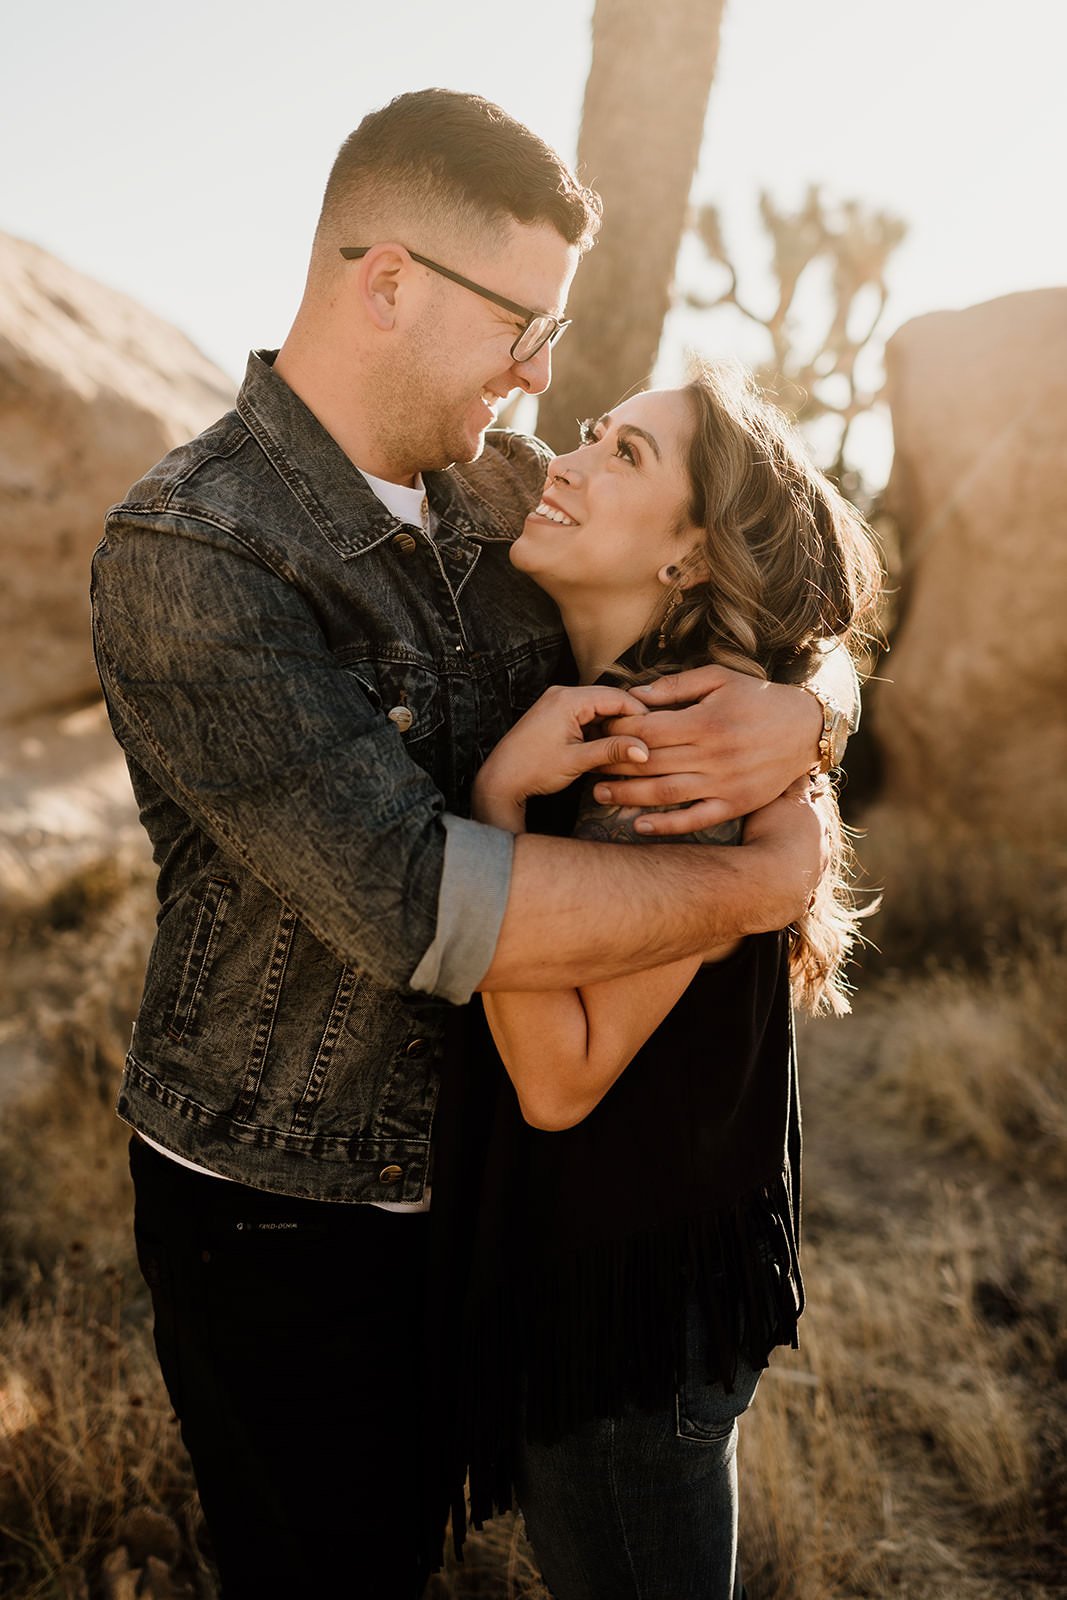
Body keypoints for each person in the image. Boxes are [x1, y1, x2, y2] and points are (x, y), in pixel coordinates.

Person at [90, 90, 845, 1597]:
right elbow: (411, 897)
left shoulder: (498, 492)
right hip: (286, 1221)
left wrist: (806, 717)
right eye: (521, 323)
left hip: (484, 1203)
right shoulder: (193, 553)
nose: (540, 378)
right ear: (387, 285)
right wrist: (769, 870)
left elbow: (761, 570)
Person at [454, 368, 881, 1600]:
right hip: (613, 1290)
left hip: (630, 1332)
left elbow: (557, 1077)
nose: (570, 463)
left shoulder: (674, 758)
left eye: (626, 456)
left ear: (692, 556)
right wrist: (818, 708)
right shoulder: (642, 701)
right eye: (590, 435)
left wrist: (494, 800)